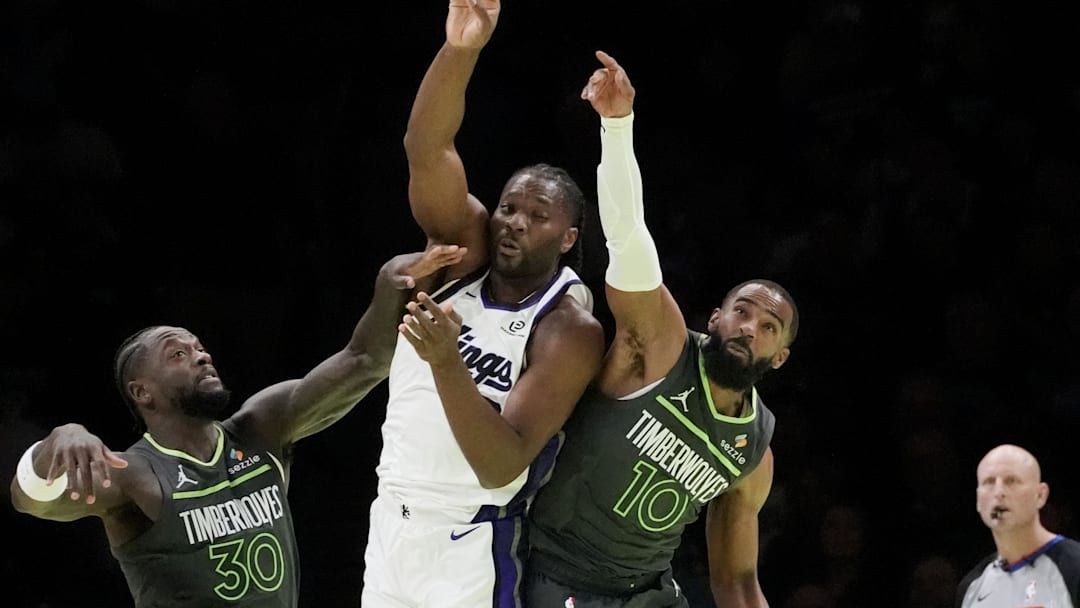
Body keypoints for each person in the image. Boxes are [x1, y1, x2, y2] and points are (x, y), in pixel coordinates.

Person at [10, 244, 467, 608]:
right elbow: (30, 501)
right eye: (178, 354)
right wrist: (60, 436)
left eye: (199, 347)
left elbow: (365, 360)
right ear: (142, 392)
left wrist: (392, 281)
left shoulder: (260, 427)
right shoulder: (136, 474)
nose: (201, 355)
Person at [523, 51, 800, 607]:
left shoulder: (753, 450)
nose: (750, 327)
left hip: (650, 593)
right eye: (742, 310)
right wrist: (617, 127)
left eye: (769, 326)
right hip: (558, 575)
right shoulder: (662, 345)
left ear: (780, 356)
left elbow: (737, 580)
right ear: (715, 319)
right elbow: (628, 237)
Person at [359, 0, 605, 606]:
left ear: (568, 238)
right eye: (508, 208)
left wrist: (447, 360)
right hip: (389, 520)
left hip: (467, 545)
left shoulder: (567, 325)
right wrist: (461, 48)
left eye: (537, 216)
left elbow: (502, 467)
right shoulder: (462, 257)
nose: (513, 223)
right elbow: (426, 145)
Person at [955, 444, 1080, 608]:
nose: (999, 492)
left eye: (1011, 481)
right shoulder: (971, 587)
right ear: (978, 500)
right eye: (989, 482)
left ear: (1041, 495)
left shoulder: (1075, 567)